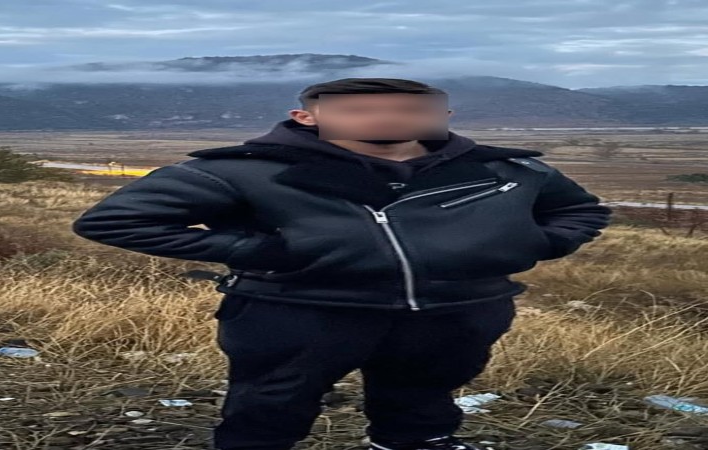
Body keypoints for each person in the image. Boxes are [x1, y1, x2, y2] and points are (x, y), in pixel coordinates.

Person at [72, 78, 613, 450]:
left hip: (459, 308)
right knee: (271, 400)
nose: (388, 118)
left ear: (443, 116)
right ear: (305, 117)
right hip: (300, 310)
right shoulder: (244, 170)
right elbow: (115, 221)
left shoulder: (504, 169)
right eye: (358, 109)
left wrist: (535, 244)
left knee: (427, 390)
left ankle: (415, 442)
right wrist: (258, 252)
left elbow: (580, 209)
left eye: (412, 109)